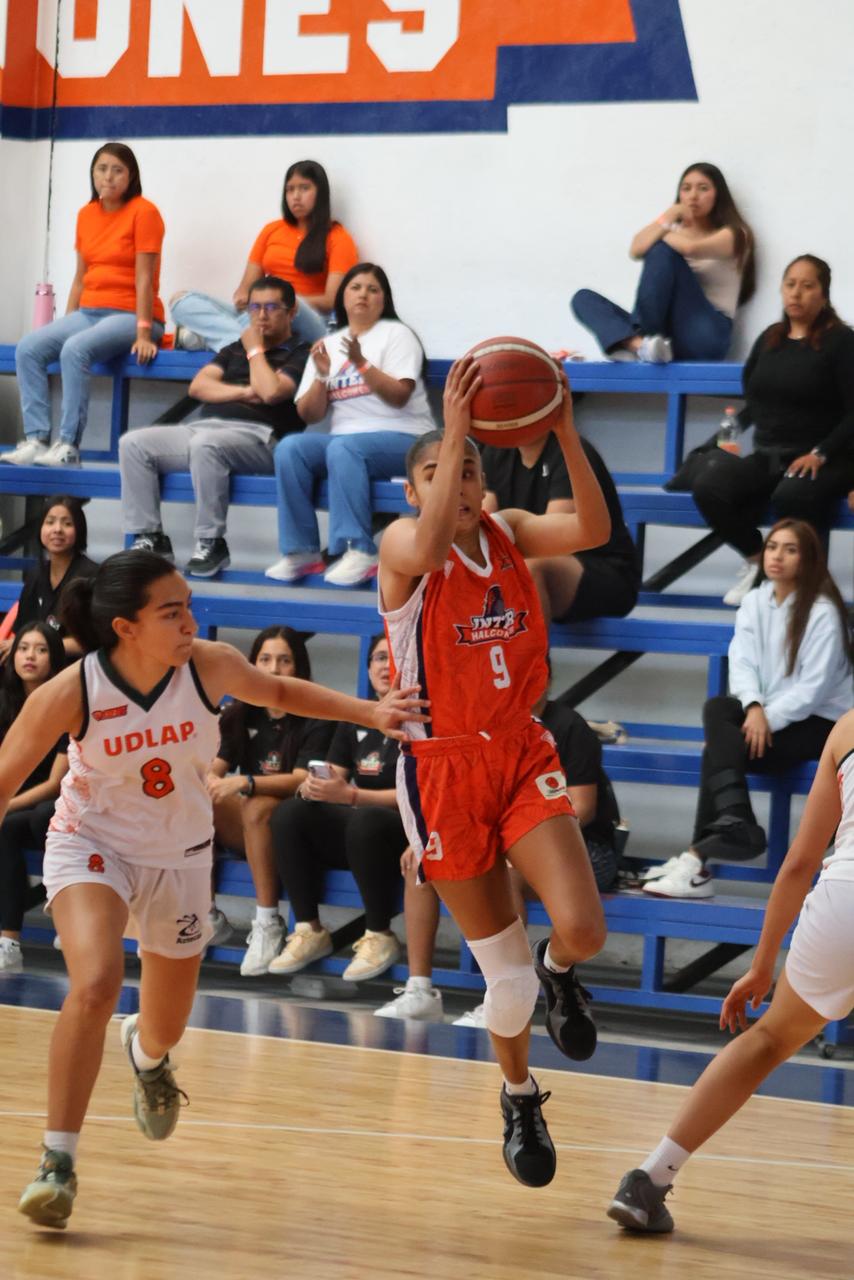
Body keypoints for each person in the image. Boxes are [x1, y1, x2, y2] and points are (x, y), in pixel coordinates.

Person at [8, 549, 425, 1229]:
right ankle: (57, 1161)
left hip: (180, 857)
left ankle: (146, 1055)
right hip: (92, 844)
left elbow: (284, 695)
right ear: (127, 627)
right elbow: (4, 776)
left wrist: (370, 712)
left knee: (167, 1023)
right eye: (171, 612)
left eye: (189, 607)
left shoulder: (208, 665)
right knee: (95, 982)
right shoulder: (74, 689)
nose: (189, 621)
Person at [377, 358, 611, 1188]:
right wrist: (453, 423)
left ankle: (562, 974)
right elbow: (436, 537)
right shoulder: (404, 546)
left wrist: (563, 430)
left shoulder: (509, 527)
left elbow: (591, 529)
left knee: (582, 931)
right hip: (442, 768)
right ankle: (519, 1093)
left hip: (517, 748)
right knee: (501, 980)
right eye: (442, 469)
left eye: (472, 465)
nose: (463, 478)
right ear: (415, 489)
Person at [608, 705, 854, 1234]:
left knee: (767, 1040)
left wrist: (762, 963)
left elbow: (798, 862)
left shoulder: (847, 726)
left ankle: (650, 1179)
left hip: (843, 901)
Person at [376, 679, 622, 1024]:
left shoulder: (567, 725)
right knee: (421, 863)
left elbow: (582, 807)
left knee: (508, 872)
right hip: (507, 834)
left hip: (584, 847)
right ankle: (419, 988)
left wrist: (511, 844)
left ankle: (506, 996)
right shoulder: (481, 726)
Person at [642, 519, 852, 900]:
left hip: (821, 728)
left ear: (807, 560)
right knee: (719, 710)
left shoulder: (823, 612)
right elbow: (741, 662)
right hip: (769, 717)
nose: (777, 556)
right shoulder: (756, 600)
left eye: (790, 549)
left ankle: (698, 861)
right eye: (773, 547)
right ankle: (731, 823)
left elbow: (812, 689)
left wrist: (764, 717)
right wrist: (753, 706)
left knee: (717, 750)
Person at [687, 255, 854, 606]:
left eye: (808, 286)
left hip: (827, 457)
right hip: (770, 454)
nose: (797, 293)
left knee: (791, 494)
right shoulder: (771, 338)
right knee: (710, 485)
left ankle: (800, 588)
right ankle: (758, 562)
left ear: (823, 295)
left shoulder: (841, 341)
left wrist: (821, 452)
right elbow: (753, 390)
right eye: (790, 284)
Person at [120, 276, 310, 578]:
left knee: (205, 446)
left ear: (291, 312)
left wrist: (255, 352)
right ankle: (151, 537)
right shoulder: (234, 348)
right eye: (255, 307)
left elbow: (273, 391)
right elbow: (199, 386)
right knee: (134, 443)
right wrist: (246, 391)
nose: (261, 315)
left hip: (261, 438)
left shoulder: (301, 351)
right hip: (207, 427)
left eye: (271, 307)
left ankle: (211, 541)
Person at [265, 263, 435, 588]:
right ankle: (301, 551)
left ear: (383, 300)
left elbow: (399, 395)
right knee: (291, 448)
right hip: (347, 445)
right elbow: (309, 414)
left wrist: (361, 363)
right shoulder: (329, 343)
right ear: (343, 297)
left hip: (408, 440)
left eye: (373, 289)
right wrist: (323, 376)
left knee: (345, 447)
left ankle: (358, 549)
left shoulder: (397, 335)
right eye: (356, 287)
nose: (363, 295)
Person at [2, 143, 164, 468]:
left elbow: (145, 279)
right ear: (93, 174)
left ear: (131, 176)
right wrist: (63, 323)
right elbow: (81, 276)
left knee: (75, 350)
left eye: (118, 170)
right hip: (89, 312)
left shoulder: (144, 212)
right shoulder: (86, 214)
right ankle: (36, 439)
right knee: (29, 348)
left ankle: (67, 446)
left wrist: (145, 332)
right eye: (102, 168)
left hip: (132, 315)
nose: (109, 176)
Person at [268, 633, 408, 981]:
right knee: (289, 812)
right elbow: (337, 775)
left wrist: (352, 797)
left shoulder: (423, 719)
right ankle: (309, 929)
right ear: (368, 667)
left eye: (393, 658)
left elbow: (422, 794)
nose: (384, 666)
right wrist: (317, 785)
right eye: (377, 658)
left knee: (367, 820)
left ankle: (379, 935)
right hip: (364, 835)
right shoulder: (357, 718)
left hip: (409, 831)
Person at [207, 626, 334, 976]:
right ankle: (204, 914)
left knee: (258, 805)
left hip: (301, 821)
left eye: (284, 660)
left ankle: (267, 922)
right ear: (251, 665)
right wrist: (205, 781)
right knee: (197, 800)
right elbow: (217, 766)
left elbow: (303, 780)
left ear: (300, 668)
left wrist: (246, 782)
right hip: (250, 817)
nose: (273, 669)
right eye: (264, 660)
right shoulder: (238, 713)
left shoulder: (317, 711)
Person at [571, 162, 754, 363]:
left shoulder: (735, 234)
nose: (693, 196)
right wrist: (668, 217)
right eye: (686, 188)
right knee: (582, 299)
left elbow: (690, 248)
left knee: (661, 252)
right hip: (666, 341)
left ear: (718, 195)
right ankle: (640, 346)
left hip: (708, 336)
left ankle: (637, 342)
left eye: (703, 188)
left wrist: (660, 230)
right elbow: (635, 249)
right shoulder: (672, 234)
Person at [170, 159, 358, 350]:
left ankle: (211, 340)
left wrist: (279, 300)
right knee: (181, 301)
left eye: (304, 188)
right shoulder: (271, 230)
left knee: (292, 301)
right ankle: (241, 344)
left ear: (320, 193)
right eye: (290, 190)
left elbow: (332, 301)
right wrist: (247, 298)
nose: (296, 196)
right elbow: (245, 289)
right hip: (261, 314)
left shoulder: (338, 238)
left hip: (308, 320)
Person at [482, 432, 639, 625]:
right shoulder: (496, 452)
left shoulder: (571, 450)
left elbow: (552, 542)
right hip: (525, 561)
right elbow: (482, 532)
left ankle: (536, 656)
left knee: (529, 568)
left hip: (605, 570)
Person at [0, 624, 69, 972]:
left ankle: (65, 908)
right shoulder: (4, 700)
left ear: (54, 658)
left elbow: (56, 783)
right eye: (23, 647)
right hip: (13, 805)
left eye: (41, 649)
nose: (29, 655)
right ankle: (8, 941)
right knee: (7, 830)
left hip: (58, 804)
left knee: (43, 814)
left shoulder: (66, 703)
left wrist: (5, 802)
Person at [0, 495, 98, 662]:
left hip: (75, 667)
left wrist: (41, 645)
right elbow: (23, 630)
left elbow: (92, 643)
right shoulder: (36, 575)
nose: (57, 529)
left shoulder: (90, 577)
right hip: (39, 663)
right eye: (50, 522)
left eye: (67, 523)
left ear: (79, 529)